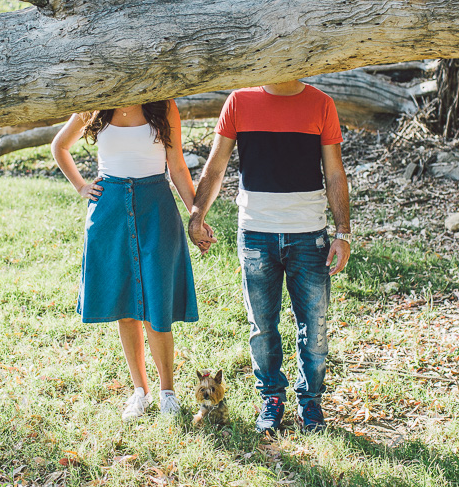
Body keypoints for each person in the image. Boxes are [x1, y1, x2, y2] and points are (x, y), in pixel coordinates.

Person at [188, 79, 351, 434]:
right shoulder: (239, 101)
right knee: (262, 328)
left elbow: (335, 172)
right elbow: (215, 168)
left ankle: (310, 405)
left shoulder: (321, 103)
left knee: (316, 329)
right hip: (256, 234)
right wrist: (197, 214)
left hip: (309, 234)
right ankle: (272, 400)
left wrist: (342, 233)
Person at [52, 100, 210, 421]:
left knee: (157, 306)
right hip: (109, 211)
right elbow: (60, 147)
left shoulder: (163, 105)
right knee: (126, 307)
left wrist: (196, 217)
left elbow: (177, 165)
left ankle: (168, 393)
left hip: (156, 207)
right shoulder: (93, 104)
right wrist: (82, 186)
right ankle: (141, 392)